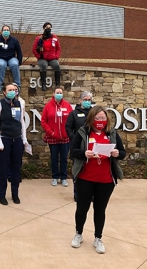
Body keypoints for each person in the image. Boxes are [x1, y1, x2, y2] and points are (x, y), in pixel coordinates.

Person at [70, 106, 126, 254]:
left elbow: (123, 153)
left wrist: (117, 153)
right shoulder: (83, 132)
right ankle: (78, 234)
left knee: (100, 210)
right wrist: (84, 153)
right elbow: (73, 151)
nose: (100, 121)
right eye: (98, 118)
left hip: (106, 180)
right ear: (91, 118)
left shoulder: (112, 133)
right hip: (85, 178)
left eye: (103, 118)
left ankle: (98, 238)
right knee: (82, 208)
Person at [0, 83, 28, 205]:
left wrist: (24, 139)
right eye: (10, 90)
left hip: (17, 139)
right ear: (4, 92)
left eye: (14, 90)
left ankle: (15, 194)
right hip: (5, 139)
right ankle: (1, 194)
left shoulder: (19, 104)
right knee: (3, 168)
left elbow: (21, 122)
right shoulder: (0, 105)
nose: (13, 92)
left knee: (16, 168)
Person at [41, 86, 73, 186]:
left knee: (64, 158)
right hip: (53, 137)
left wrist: (68, 132)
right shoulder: (48, 106)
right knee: (54, 158)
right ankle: (55, 177)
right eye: (57, 92)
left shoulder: (67, 105)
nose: (59, 94)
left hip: (65, 137)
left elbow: (72, 120)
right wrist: (51, 132)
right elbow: (43, 121)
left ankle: (63, 177)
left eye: (61, 93)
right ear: (53, 94)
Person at [65, 91, 93, 201]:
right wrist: (75, 139)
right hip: (78, 147)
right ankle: (77, 194)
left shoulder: (94, 112)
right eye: (85, 99)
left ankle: (90, 195)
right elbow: (68, 128)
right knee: (78, 171)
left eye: (89, 100)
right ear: (80, 100)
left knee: (91, 171)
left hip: (92, 146)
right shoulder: (74, 114)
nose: (87, 102)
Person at [0, 25, 22, 94]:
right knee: (1, 65)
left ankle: (17, 85)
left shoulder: (14, 40)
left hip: (11, 58)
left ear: (10, 32)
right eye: (5, 30)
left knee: (15, 64)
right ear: (1, 32)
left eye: (7, 30)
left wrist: (19, 61)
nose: (6, 31)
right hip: (0, 58)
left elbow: (19, 51)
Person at [32, 22, 61, 90]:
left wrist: (56, 56)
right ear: (44, 28)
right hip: (42, 58)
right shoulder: (39, 38)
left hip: (52, 58)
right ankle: (43, 84)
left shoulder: (54, 37)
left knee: (57, 65)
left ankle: (57, 83)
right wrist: (39, 56)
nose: (49, 29)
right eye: (47, 27)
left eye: (50, 28)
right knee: (44, 65)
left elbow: (58, 49)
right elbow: (34, 49)